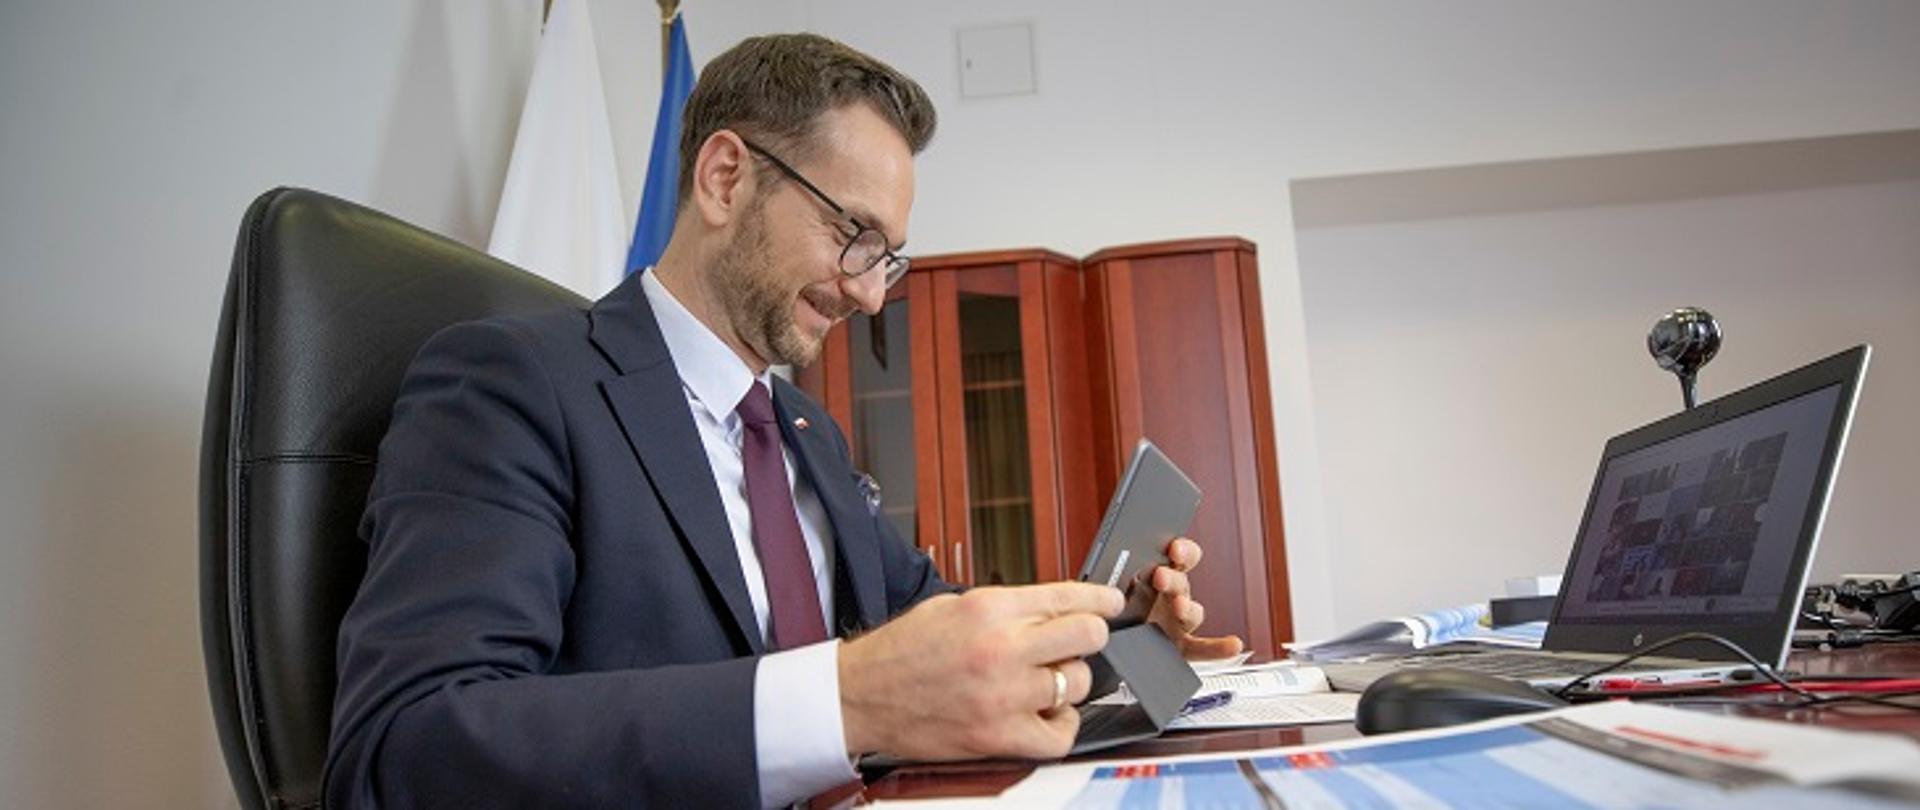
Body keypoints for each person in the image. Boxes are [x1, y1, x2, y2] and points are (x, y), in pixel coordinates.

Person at [324, 33, 1241, 809]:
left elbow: (936, 629)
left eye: (890, 259)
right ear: (726, 178)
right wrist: (846, 703)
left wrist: (1104, 628)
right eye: (855, 236)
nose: (871, 295)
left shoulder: (806, 432)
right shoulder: (515, 385)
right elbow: (406, 746)